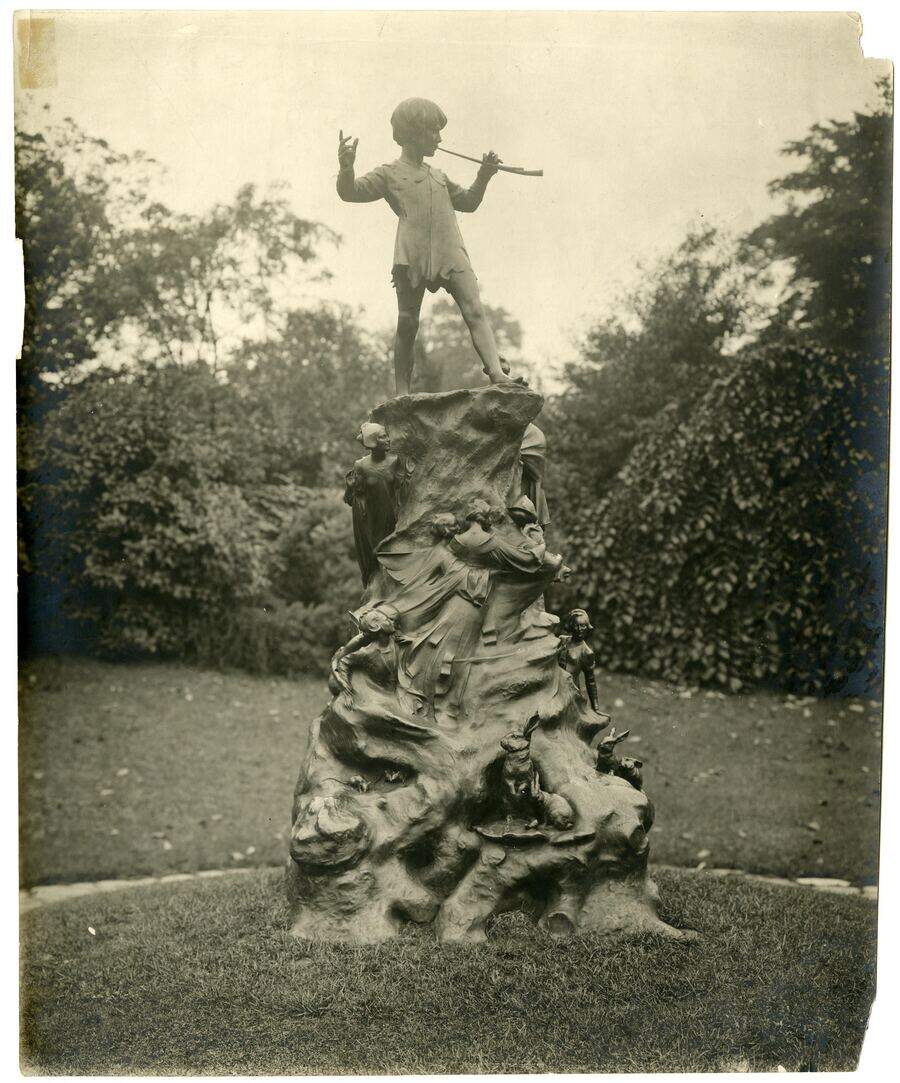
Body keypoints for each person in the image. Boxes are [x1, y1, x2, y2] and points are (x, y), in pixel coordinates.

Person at [337, 97, 519, 396]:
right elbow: (351, 192)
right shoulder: (389, 173)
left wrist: (484, 175)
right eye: (433, 131)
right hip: (413, 256)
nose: (439, 138)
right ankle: (402, 394)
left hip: (451, 251)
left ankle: (497, 373)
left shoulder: (439, 176)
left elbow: (469, 203)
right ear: (412, 133)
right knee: (408, 324)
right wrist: (346, 168)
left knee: (475, 310)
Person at [343, 422, 410, 586]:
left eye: (386, 435)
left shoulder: (395, 461)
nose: (388, 439)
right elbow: (352, 499)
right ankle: (376, 586)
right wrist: (350, 488)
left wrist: (406, 478)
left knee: (392, 551)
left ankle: (394, 583)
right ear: (373, 442)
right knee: (374, 557)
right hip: (371, 520)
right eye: (383, 437)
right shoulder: (361, 466)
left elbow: (404, 493)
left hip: (392, 516)